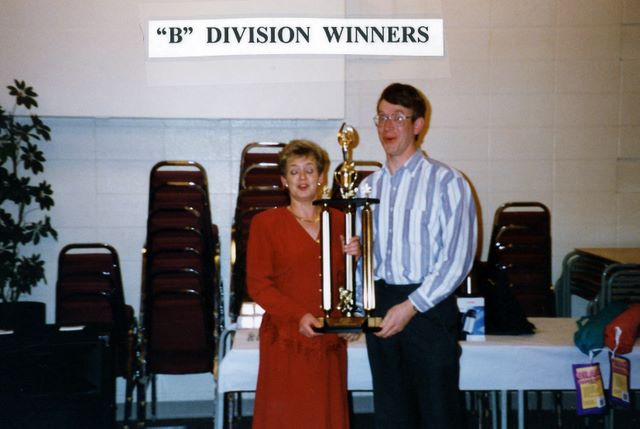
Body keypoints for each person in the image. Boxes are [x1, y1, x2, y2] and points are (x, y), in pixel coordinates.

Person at [360, 83, 478, 428]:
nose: (388, 126)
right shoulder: (367, 187)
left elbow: (458, 258)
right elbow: (364, 257)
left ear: (418, 124)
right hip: (381, 304)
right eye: (382, 117)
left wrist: (411, 306)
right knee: (391, 413)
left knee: (438, 413)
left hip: (429, 309)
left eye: (398, 117)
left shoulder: (448, 182)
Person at [246, 139, 361, 429]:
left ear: (321, 177)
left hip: (329, 340)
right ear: (284, 180)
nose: (303, 178)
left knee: (326, 416)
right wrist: (298, 316)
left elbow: (347, 282)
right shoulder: (266, 223)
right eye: (294, 171)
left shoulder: (341, 221)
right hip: (286, 339)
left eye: (310, 170)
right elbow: (258, 285)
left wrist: (356, 261)